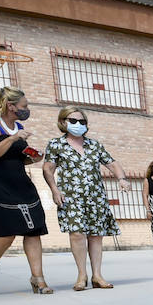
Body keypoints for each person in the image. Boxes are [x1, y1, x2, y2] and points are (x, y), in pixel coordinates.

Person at [0, 87, 51, 295]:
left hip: (20, 183)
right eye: (24, 106)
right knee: (5, 233)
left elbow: (17, 157)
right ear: (11, 106)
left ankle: (38, 279)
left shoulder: (19, 126)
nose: (27, 109)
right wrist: (13, 139)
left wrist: (32, 157)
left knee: (33, 230)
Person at [42, 107, 131, 290]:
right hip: (71, 197)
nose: (78, 125)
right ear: (63, 122)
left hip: (95, 196)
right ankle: (82, 275)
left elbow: (112, 163)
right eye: (73, 121)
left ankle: (97, 276)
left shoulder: (94, 145)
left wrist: (121, 179)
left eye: (82, 122)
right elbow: (48, 169)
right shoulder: (56, 145)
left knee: (96, 235)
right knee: (77, 233)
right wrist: (54, 190)